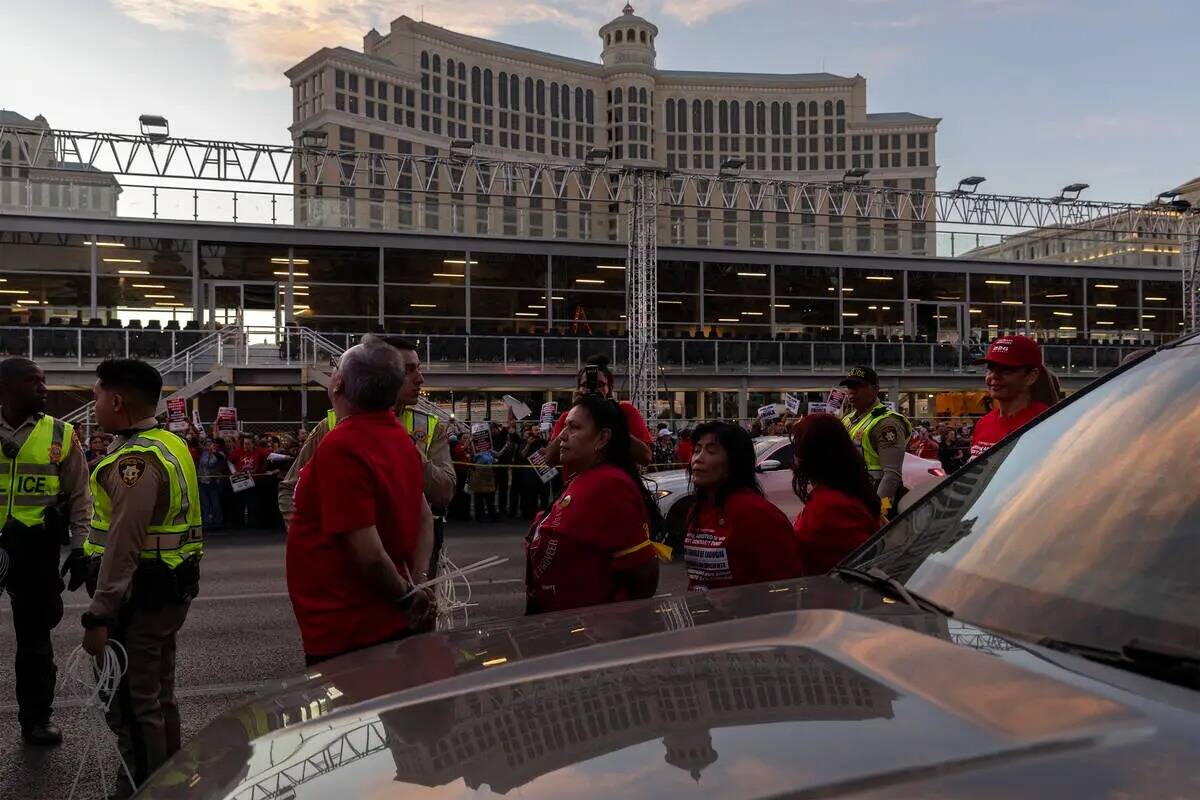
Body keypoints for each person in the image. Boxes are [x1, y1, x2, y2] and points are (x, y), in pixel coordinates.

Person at [81, 359, 203, 794]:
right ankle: (171, 780)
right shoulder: (166, 442)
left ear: (116, 401)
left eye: (96, 395)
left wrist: (99, 614)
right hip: (163, 590)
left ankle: (145, 788)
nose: (93, 404)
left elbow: (124, 541)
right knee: (157, 696)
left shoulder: (135, 459)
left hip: (138, 599)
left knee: (134, 704)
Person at [286, 339, 435, 665]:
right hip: (370, 622)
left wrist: (407, 597)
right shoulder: (398, 436)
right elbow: (426, 518)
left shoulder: (343, 444)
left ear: (338, 383)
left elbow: (368, 554)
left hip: (348, 626)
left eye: (336, 367)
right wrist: (421, 582)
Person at [279, 335, 455, 573]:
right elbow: (290, 489)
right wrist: (309, 544)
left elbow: (443, 493)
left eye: (419, 369)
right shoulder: (330, 426)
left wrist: (407, 451)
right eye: (408, 370)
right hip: (348, 563)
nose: (419, 378)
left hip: (415, 563)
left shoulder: (429, 427)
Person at [0, 357, 92, 746]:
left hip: (35, 548)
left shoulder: (61, 432)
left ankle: (36, 719)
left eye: (44, 380)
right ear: (5, 388)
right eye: (32, 381)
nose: (43, 387)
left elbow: (79, 495)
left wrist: (79, 546)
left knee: (36, 640)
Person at [526, 394, 663, 615]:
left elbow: (643, 576)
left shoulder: (609, 485)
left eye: (574, 428)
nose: (563, 436)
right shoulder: (580, 478)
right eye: (564, 427)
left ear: (602, 438)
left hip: (590, 630)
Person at [683, 421, 802, 591]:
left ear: (734, 461)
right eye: (696, 450)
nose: (698, 459)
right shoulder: (697, 510)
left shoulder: (757, 513)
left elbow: (786, 586)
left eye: (711, 451)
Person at [791, 413, 883, 576]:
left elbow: (862, 569)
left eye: (798, 446)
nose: (795, 456)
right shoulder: (833, 495)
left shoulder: (833, 506)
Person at [543, 354, 653, 476]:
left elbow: (646, 458)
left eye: (600, 385)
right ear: (578, 389)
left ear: (609, 388)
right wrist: (574, 419)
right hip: (578, 487)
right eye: (586, 385)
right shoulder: (567, 417)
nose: (593, 389)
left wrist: (612, 419)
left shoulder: (624, 411)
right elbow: (549, 460)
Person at [838, 366, 911, 518]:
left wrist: (879, 512)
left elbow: (891, 476)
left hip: (874, 499)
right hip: (854, 497)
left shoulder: (886, 423)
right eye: (849, 386)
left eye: (858, 386)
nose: (851, 391)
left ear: (875, 390)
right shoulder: (847, 420)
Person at [970, 335, 1053, 459]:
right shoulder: (984, 423)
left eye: (1005, 370)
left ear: (1031, 376)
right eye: (990, 369)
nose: (994, 376)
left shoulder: (1048, 423)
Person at [198, 439, 227, 530]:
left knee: (215, 503)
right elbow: (196, 443)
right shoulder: (204, 453)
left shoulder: (220, 454)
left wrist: (214, 452)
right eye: (208, 444)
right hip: (203, 481)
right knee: (205, 504)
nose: (210, 446)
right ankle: (206, 523)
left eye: (212, 444)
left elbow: (221, 459)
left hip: (214, 482)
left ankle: (218, 522)